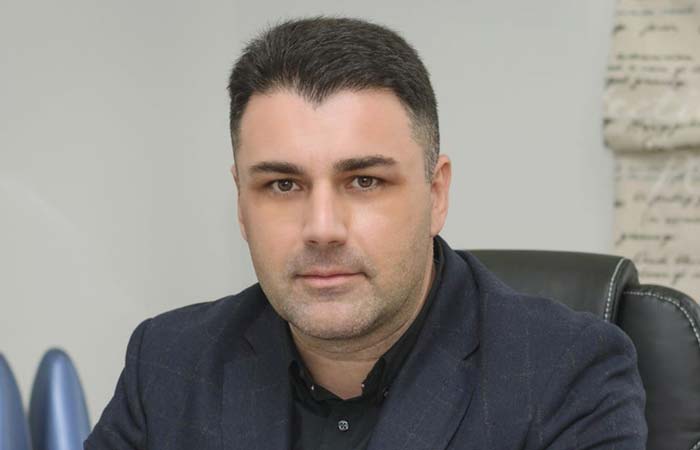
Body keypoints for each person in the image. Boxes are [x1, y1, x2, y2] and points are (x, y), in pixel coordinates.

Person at [85, 17, 647, 450]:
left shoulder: (565, 374)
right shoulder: (168, 363)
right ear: (240, 202)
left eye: (364, 181)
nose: (322, 229)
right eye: (283, 185)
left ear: (436, 193)